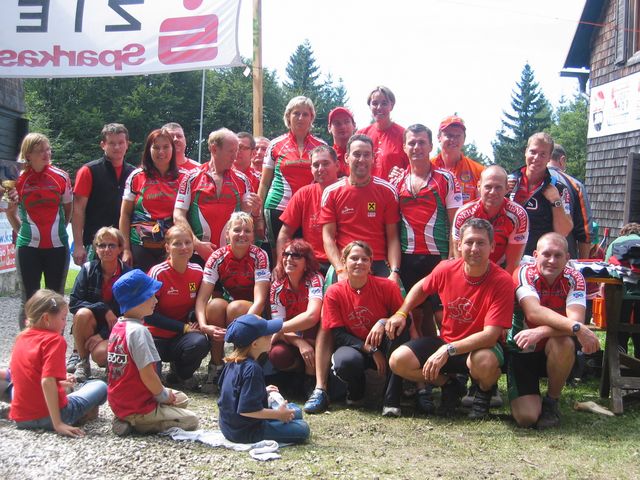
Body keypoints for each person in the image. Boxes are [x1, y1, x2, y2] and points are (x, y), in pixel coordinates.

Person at [388, 218, 514, 419]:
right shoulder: (446, 268)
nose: (474, 248)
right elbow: (421, 288)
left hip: (480, 347)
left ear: (492, 247)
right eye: (469, 242)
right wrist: (401, 313)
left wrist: (448, 349)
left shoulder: (502, 281)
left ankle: (483, 395)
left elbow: (490, 336)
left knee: (484, 361)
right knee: (398, 361)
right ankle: (449, 385)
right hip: (447, 341)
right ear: (459, 245)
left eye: (481, 243)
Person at [506, 233, 600, 428]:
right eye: (546, 254)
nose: (552, 260)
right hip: (523, 350)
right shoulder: (523, 272)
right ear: (535, 255)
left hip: (552, 348)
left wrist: (542, 332)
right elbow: (533, 312)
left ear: (567, 258)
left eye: (558, 255)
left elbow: (576, 321)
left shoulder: (575, 277)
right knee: (527, 418)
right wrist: (576, 328)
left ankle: (551, 401)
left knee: (563, 343)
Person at [321, 241, 410, 417]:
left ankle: (391, 400)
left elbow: (404, 319)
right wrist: (370, 349)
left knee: (398, 332)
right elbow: (338, 334)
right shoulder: (334, 292)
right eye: (354, 258)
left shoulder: (387, 286)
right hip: (355, 346)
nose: (359, 263)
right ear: (344, 262)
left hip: (385, 343)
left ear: (371, 263)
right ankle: (356, 392)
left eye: (364, 259)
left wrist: (383, 322)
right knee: (345, 362)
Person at [108, 269, 199, 436]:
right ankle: (136, 422)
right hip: (138, 405)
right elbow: (148, 374)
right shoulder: (139, 332)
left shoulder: (119, 326)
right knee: (191, 420)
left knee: (182, 399)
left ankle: (125, 416)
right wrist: (163, 396)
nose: (156, 300)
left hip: (120, 400)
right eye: (151, 296)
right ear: (137, 300)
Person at [393, 124, 462, 336]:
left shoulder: (447, 178)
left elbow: (456, 222)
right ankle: (425, 355)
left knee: (443, 315)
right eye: (412, 143)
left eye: (422, 142)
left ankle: (453, 354)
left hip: (438, 256)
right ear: (404, 147)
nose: (417, 147)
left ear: (431, 146)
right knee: (416, 317)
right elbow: (393, 224)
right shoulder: (396, 181)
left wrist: (453, 258)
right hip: (408, 257)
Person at [9, 290, 107, 437]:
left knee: (68, 387)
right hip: (54, 416)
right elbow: (47, 381)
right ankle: (82, 413)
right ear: (46, 318)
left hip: (22, 418)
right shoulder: (54, 340)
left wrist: (58, 383)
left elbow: (29, 377)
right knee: (100, 386)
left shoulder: (21, 338)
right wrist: (58, 424)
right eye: (63, 318)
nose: (65, 323)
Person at [195, 212, 270, 391]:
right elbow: (202, 298)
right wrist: (203, 325)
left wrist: (242, 325)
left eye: (247, 231)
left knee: (235, 308)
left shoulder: (260, 255)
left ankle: (239, 365)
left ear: (253, 235)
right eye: (237, 230)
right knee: (214, 305)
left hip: (252, 309)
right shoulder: (217, 257)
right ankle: (216, 367)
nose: (242, 234)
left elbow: (260, 300)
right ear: (227, 233)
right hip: (228, 306)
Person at [7, 133, 72, 329]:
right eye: (40, 151)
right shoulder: (17, 179)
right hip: (28, 247)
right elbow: (11, 212)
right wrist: (23, 232)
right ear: (28, 155)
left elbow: (68, 210)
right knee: (29, 300)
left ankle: (54, 344)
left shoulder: (61, 176)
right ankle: (28, 344)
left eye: (48, 149)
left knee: (56, 299)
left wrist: (57, 231)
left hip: (57, 246)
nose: (46, 154)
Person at [319, 134, 402, 284]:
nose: (362, 159)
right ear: (346, 157)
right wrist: (340, 270)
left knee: (395, 294)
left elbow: (393, 238)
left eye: (366, 155)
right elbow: (328, 237)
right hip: (345, 262)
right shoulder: (331, 192)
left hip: (377, 262)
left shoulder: (387, 191)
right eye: (357, 154)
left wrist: (395, 272)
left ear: (373, 158)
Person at [218, 313, 310, 444]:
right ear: (255, 344)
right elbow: (247, 411)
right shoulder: (252, 369)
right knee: (302, 429)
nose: (271, 335)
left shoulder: (232, 362)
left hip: (228, 426)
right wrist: (279, 415)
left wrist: (261, 390)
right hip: (247, 431)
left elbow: (232, 392)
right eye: (267, 334)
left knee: (296, 411)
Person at [174, 128, 261, 265]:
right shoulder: (191, 177)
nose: (235, 156)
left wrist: (254, 212)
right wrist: (196, 244)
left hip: (231, 255)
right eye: (231, 151)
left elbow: (248, 219)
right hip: (197, 253)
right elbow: (178, 215)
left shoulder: (243, 180)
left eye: (237, 150)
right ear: (214, 149)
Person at [257, 96, 325, 254]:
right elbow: (264, 183)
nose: (300, 118)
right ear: (288, 116)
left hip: (310, 209)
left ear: (311, 118)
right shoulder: (275, 145)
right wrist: (258, 217)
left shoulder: (321, 146)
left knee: (308, 255)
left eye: (305, 114)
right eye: (296, 113)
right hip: (278, 207)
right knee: (280, 257)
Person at [146, 225, 210, 386]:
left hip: (180, 337)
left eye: (188, 242)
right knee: (152, 385)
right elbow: (147, 314)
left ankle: (180, 374)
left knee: (200, 343)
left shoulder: (198, 271)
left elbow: (199, 304)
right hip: (154, 337)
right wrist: (184, 327)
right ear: (167, 247)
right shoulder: (158, 273)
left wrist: (194, 320)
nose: (184, 247)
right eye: (177, 243)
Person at [69, 227, 131, 381]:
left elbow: (128, 314)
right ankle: (83, 363)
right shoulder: (88, 269)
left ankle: (115, 363)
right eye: (102, 245)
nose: (106, 249)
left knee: (100, 355)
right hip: (91, 322)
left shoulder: (128, 274)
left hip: (117, 328)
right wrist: (103, 309)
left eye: (111, 245)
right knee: (82, 313)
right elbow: (74, 303)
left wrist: (102, 335)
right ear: (96, 249)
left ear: (120, 248)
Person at [120, 129, 184, 272]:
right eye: (156, 147)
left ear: (173, 149)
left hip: (172, 246)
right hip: (140, 245)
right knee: (142, 286)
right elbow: (125, 214)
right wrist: (125, 249)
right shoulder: (136, 176)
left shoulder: (184, 178)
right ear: (148, 150)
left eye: (166, 147)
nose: (161, 152)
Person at [72, 123, 135, 266]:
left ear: (127, 144)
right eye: (112, 143)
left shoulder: (135, 173)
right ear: (103, 145)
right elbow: (78, 210)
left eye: (121, 142)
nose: (117, 147)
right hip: (96, 244)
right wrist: (78, 245)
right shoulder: (88, 171)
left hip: (124, 246)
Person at [452, 165, 529, 274]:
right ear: (479, 186)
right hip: (471, 269)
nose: (493, 192)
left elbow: (512, 263)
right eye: (488, 187)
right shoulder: (463, 215)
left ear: (507, 188)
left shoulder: (518, 216)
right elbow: (460, 258)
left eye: (498, 187)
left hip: (501, 270)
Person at [268, 239, 323, 388]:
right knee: (277, 354)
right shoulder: (277, 286)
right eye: (286, 254)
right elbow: (279, 324)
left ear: (307, 262)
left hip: (315, 335)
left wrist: (279, 329)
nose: (289, 259)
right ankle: (299, 371)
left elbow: (312, 316)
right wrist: (299, 342)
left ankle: (311, 379)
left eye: (296, 255)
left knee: (312, 331)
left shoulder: (315, 279)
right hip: (291, 336)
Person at [508, 132, 573, 256]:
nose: (536, 158)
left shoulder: (558, 188)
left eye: (543, 154)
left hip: (538, 259)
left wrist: (556, 201)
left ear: (549, 157)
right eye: (533, 152)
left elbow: (563, 231)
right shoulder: (507, 182)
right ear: (526, 152)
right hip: (506, 257)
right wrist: (500, 193)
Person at [277, 145, 341, 271]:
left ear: (337, 165)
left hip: (343, 261)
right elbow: (284, 234)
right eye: (316, 165)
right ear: (311, 169)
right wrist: (280, 264)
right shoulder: (304, 194)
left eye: (326, 163)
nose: (320, 169)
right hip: (312, 264)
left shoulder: (349, 191)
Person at [549, 144, 593, 258]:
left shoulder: (525, 181)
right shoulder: (575, 185)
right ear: (562, 160)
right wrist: (583, 263)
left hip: (526, 258)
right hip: (562, 258)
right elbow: (585, 231)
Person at [357, 86, 408, 180]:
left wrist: (402, 173)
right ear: (369, 106)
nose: (379, 107)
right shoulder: (361, 135)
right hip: (365, 187)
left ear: (391, 106)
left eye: (384, 103)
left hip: (393, 188)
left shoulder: (403, 135)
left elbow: (411, 168)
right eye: (375, 103)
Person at [605, 222, 640, 358]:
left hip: (621, 293)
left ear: (623, 232)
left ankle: (619, 358)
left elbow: (607, 269)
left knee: (619, 328)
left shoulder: (616, 243)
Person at [431, 115, 485, 204]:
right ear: (439, 137)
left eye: (458, 136)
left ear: (464, 139)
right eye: (449, 135)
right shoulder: (427, 167)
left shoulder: (479, 171)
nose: (453, 140)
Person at [327, 106, 357, 176]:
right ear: (329, 128)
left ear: (354, 125)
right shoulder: (326, 157)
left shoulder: (363, 155)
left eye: (346, 122)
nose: (343, 126)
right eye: (337, 123)